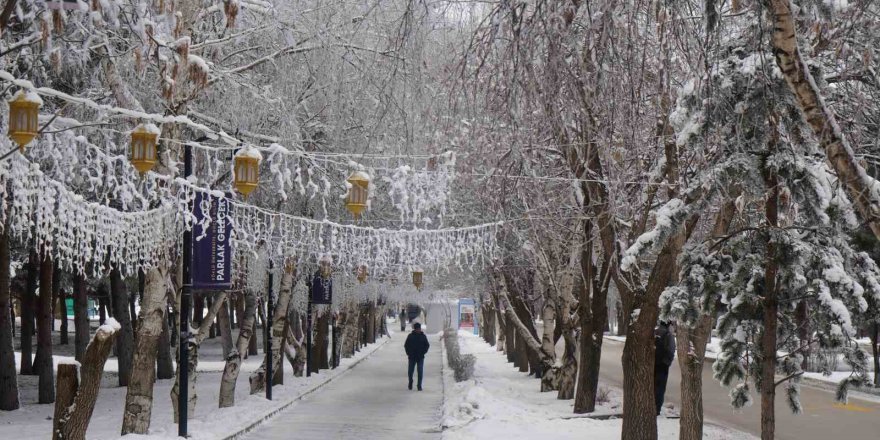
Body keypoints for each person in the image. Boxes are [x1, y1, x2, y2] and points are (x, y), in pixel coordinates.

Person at [654, 320, 676, 416]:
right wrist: (667, 363)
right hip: (662, 366)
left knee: (652, 386)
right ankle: (657, 409)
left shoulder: (654, 332)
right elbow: (671, 351)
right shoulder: (668, 335)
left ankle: (650, 406)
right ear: (669, 325)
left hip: (652, 364)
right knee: (660, 388)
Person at [404, 322, 430, 391]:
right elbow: (406, 345)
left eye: (419, 329)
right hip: (412, 357)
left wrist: (423, 352)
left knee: (420, 371)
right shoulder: (410, 336)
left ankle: (419, 385)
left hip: (420, 357)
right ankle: (410, 381)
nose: (418, 330)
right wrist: (408, 353)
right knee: (410, 372)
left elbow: (427, 345)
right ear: (415, 329)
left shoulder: (423, 336)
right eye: (417, 329)